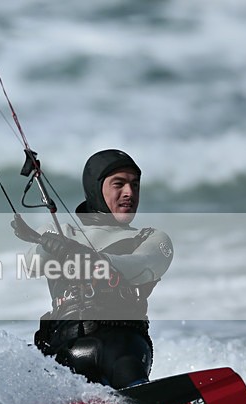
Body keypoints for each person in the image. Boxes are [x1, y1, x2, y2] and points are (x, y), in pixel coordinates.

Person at [11, 149, 173, 389]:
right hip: (62, 346)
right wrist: (46, 243)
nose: (129, 193)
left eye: (135, 185)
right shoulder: (62, 231)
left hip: (121, 344)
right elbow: (32, 265)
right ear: (96, 188)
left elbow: (140, 266)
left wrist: (86, 256)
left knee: (125, 364)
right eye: (119, 184)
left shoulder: (150, 238)